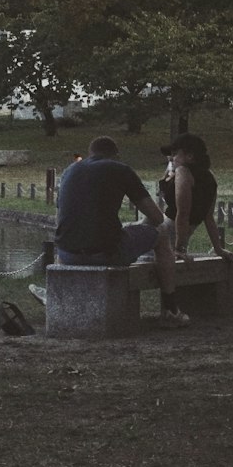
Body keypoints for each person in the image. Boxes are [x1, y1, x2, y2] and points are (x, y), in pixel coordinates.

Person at [40, 136, 188, 326]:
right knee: (161, 234)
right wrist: (141, 227)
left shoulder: (70, 171)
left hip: (67, 255)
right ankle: (171, 310)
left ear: (89, 154)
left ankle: (56, 297)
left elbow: (61, 220)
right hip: (106, 252)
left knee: (69, 235)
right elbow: (157, 218)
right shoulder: (120, 169)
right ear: (116, 155)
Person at [158, 133, 233, 260]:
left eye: (175, 154)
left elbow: (183, 214)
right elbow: (208, 218)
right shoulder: (209, 176)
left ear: (190, 156)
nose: (171, 158)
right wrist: (218, 248)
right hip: (172, 233)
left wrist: (179, 249)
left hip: (164, 233)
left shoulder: (183, 172)